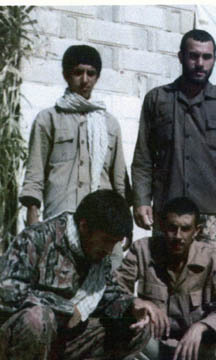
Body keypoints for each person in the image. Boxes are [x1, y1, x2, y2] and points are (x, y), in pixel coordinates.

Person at [0, 190, 154, 360]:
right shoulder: (37, 238)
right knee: (38, 317)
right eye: (106, 241)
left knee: (137, 326)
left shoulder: (98, 256)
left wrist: (133, 304)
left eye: (115, 243)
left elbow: (108, 295)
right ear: (84, 227)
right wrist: (63, 309)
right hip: (12, 343)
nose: (109, 250)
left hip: (60, 340)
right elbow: (7, 293)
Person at [131, 29, 216, 273]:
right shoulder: (158, 99)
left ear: (214, 59)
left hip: (213, 213)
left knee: (215, 279)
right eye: (193, 56)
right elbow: (143, 157)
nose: (200, 64)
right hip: (168, 211)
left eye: (207, 57)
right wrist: (141, 201)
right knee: (164, 278)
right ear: (181, 57)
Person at [116, 197, 216, 360]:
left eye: (185, 229)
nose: (178, 236)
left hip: (196, 347)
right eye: (172, 228)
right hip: (157, 345)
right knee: (119, 321)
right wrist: (138, 303)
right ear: (161, 226)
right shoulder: (141, 250)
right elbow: (116, 290)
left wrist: (201, 327)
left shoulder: (213, 257)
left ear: (197, 231)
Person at [19, 45, 129, 267]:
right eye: (78, 72)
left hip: (103, 222)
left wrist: (126, 223)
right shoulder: (48, 119)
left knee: (105, 280)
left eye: (91, 73)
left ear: (97, 77)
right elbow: (35, 174)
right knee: (58, 276)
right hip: (61, 217)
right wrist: (33, 222)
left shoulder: (109, 124)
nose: (85, 80)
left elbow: (119, 180)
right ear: (66, 75)